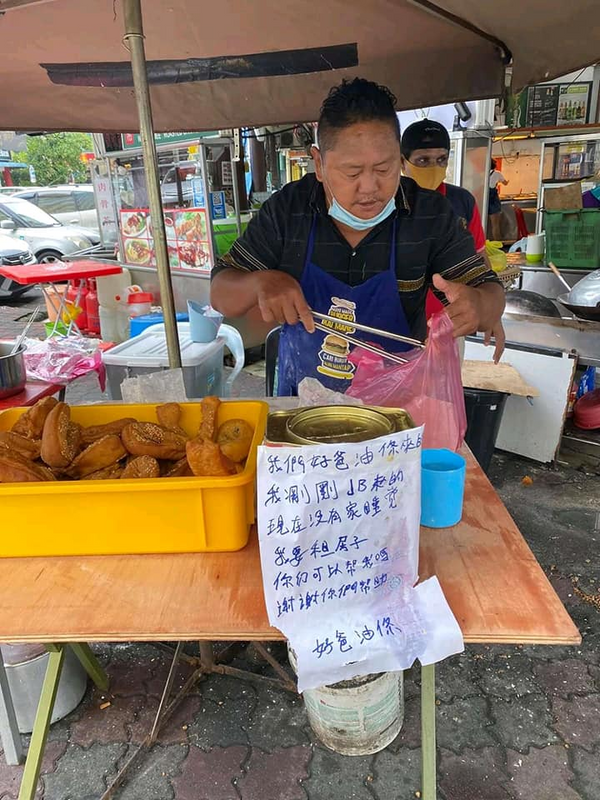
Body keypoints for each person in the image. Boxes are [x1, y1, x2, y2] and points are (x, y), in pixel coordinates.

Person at [211, 78, 505, 395]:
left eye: (384, 169)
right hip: (302, 410)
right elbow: (220, 293)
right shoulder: (289, 211)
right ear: (319, 164)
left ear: (400, 160)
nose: (369, 188)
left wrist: (481, 305)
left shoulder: (428, 215)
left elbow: (489, 292)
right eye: (352, 172)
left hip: (396, 406)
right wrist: (259, 283)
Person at [488, 159, 508, 241]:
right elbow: (505, 183)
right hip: (493, 201)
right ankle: (498, 245)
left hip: (483, 200)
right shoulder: (497, 173)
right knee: (495, 225)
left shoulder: (482, 173)